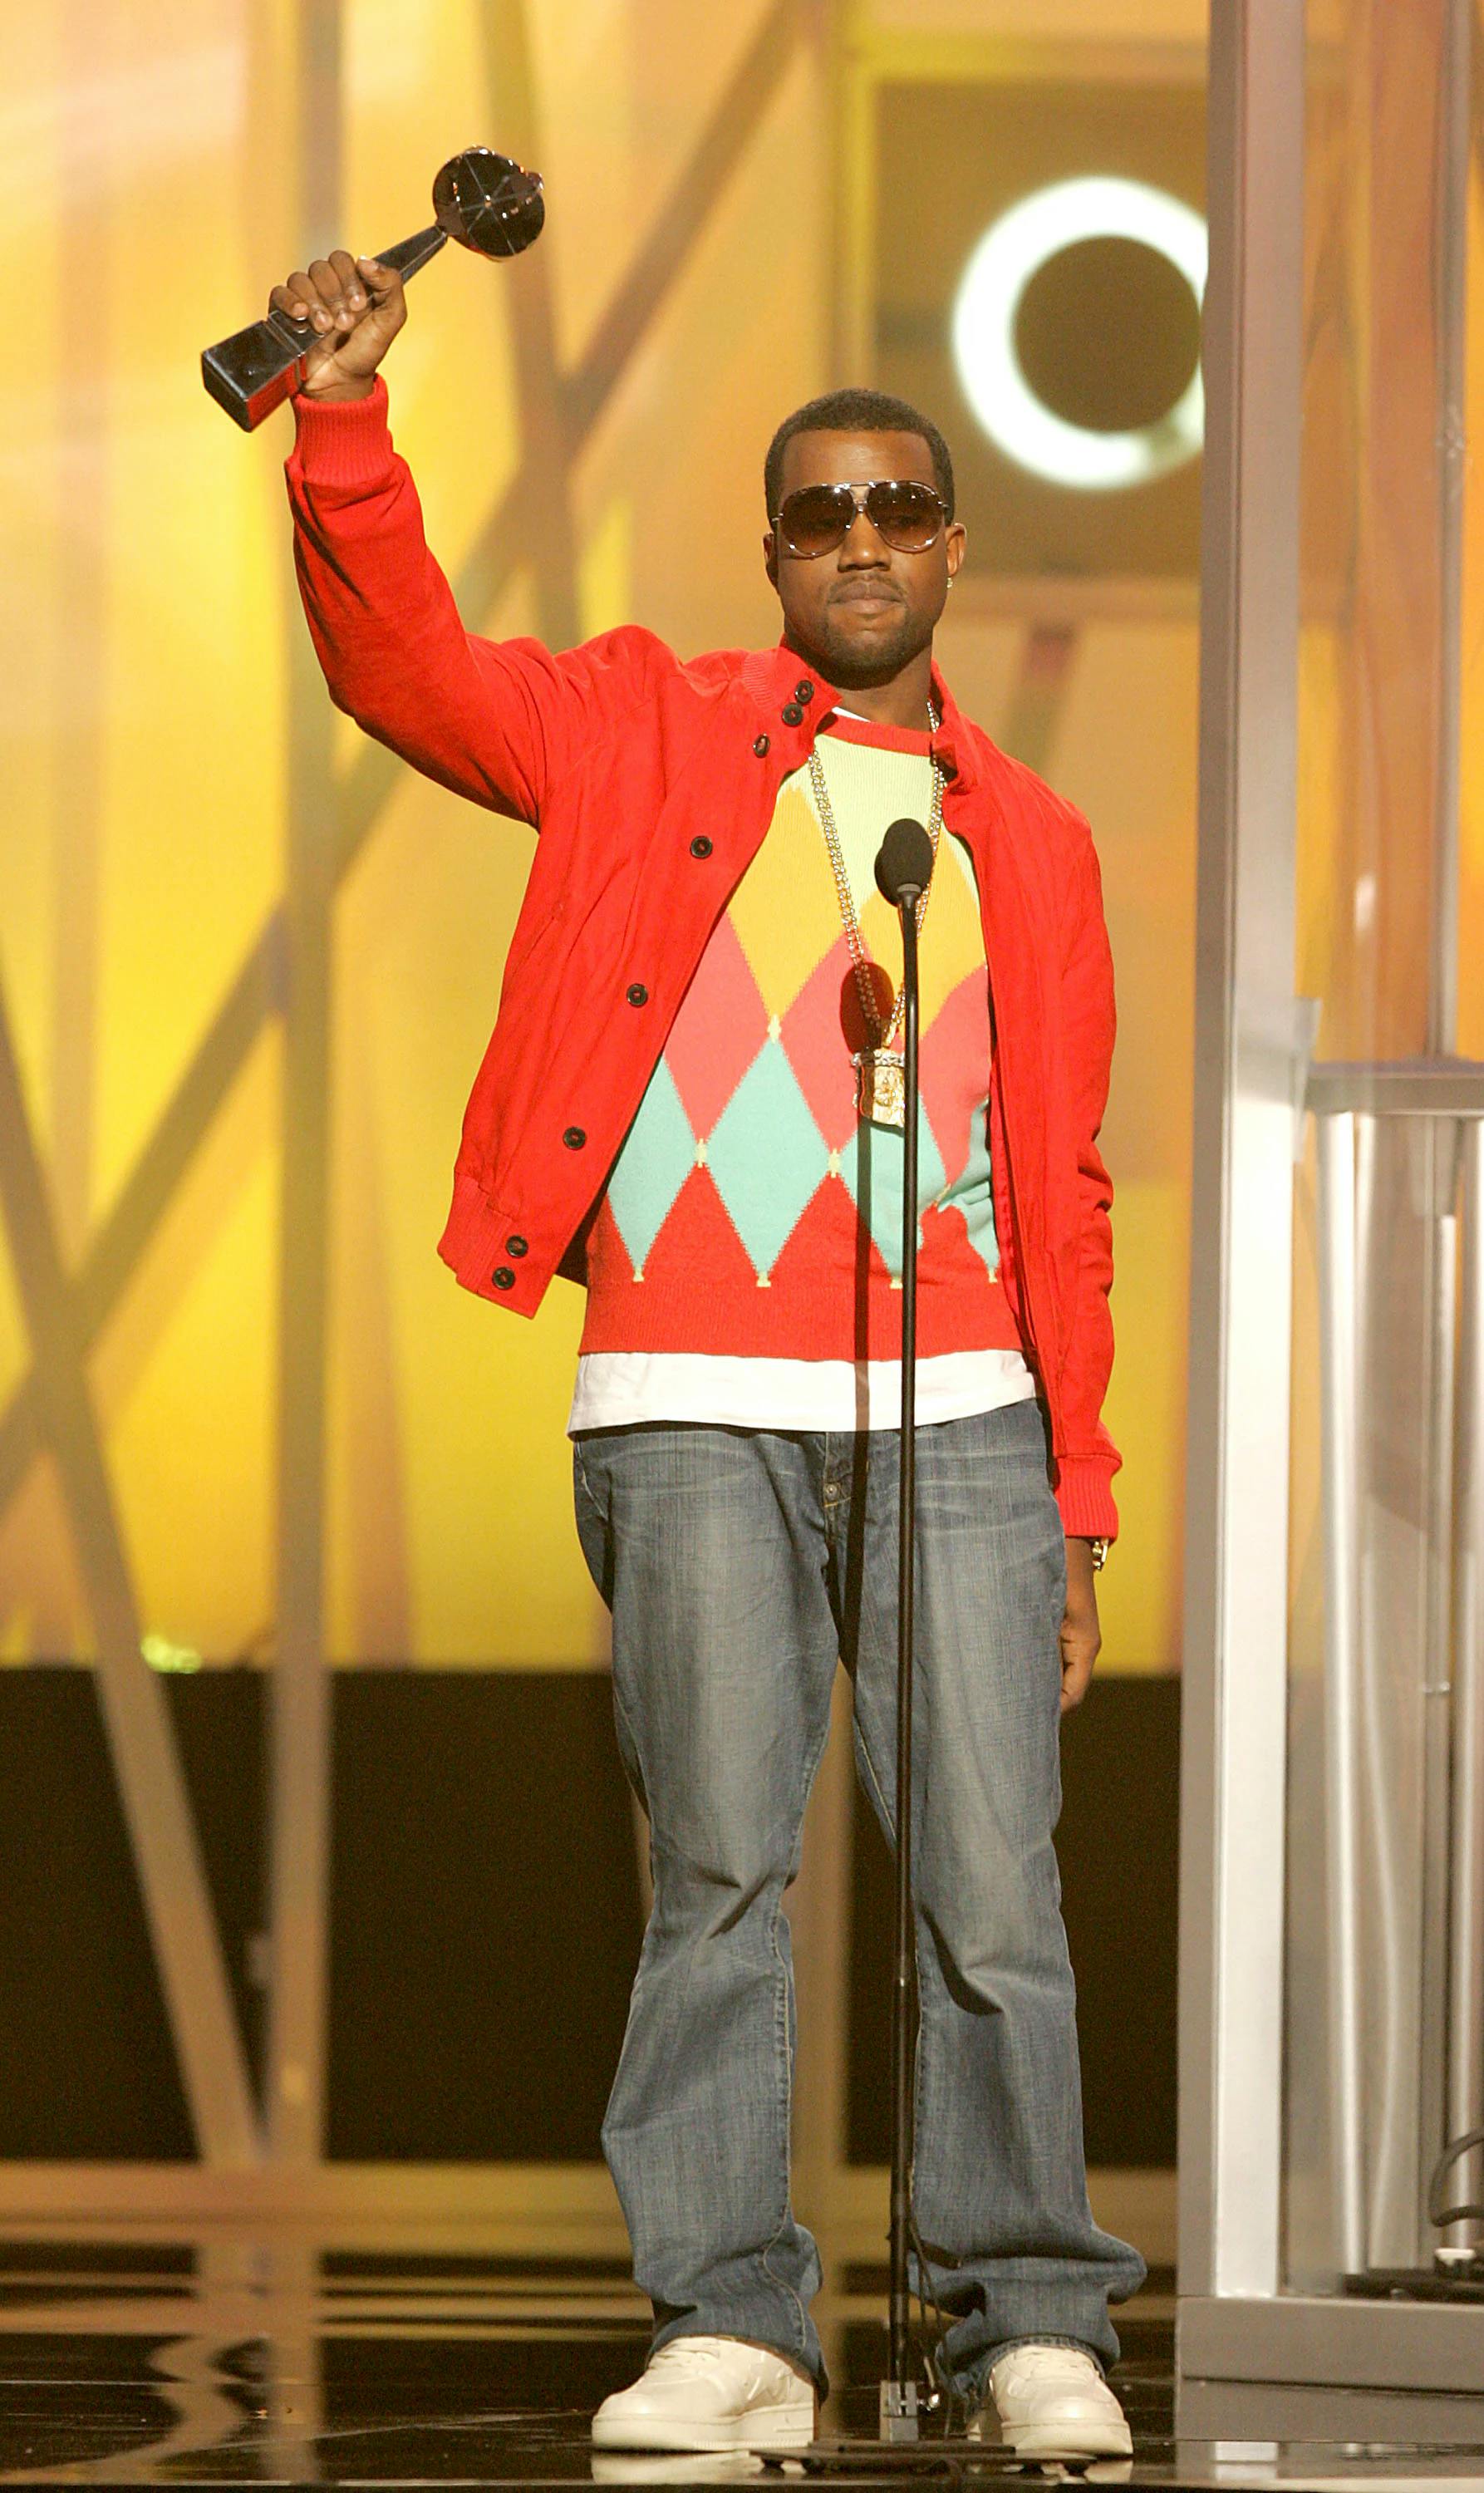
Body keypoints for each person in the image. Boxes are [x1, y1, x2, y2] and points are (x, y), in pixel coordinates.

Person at [274, 247, 1145, 2459]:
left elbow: (1063, 1190)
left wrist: (1079, 1493)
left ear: (948, 546)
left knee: (990, 1887)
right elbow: (409, 671)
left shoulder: (1027, 844)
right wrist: (349, 425)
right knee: (718, 1875)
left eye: (895, 509)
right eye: (818, 512)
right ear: (774, 554)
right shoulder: (642, 726)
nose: (857, 539)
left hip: (957, 1411)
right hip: (683, 1403)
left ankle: (1016, 2309)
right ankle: (729, 2324)